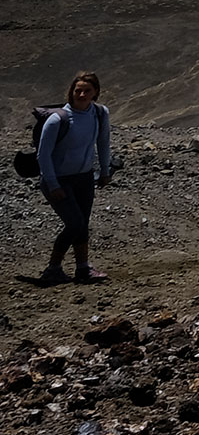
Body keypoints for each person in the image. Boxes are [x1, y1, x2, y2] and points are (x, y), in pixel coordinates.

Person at [33, 72, 113, 286]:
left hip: (84, 178)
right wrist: (53, 184)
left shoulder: (99, 114)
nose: (82, 94)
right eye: (78, 90)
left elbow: (103, 143)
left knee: (82, 224)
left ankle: (82, 268)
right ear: (71, 92)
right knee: (75, 223)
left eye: (87, 90)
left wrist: (104, 171)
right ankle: (53, 268)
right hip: (59, 180)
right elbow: (43, 154)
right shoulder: (58, 119)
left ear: (95, 92)